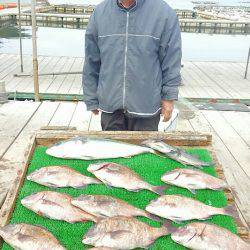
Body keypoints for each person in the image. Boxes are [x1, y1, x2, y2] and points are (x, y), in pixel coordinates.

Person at [83, 0, 182, 131]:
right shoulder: (99, 13)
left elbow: (171, 60)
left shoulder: (164, 13)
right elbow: (91, 60)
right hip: (110, 106)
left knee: (145, 150)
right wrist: (91, 97)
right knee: (113, 150)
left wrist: (169, 97)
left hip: (146, 107)